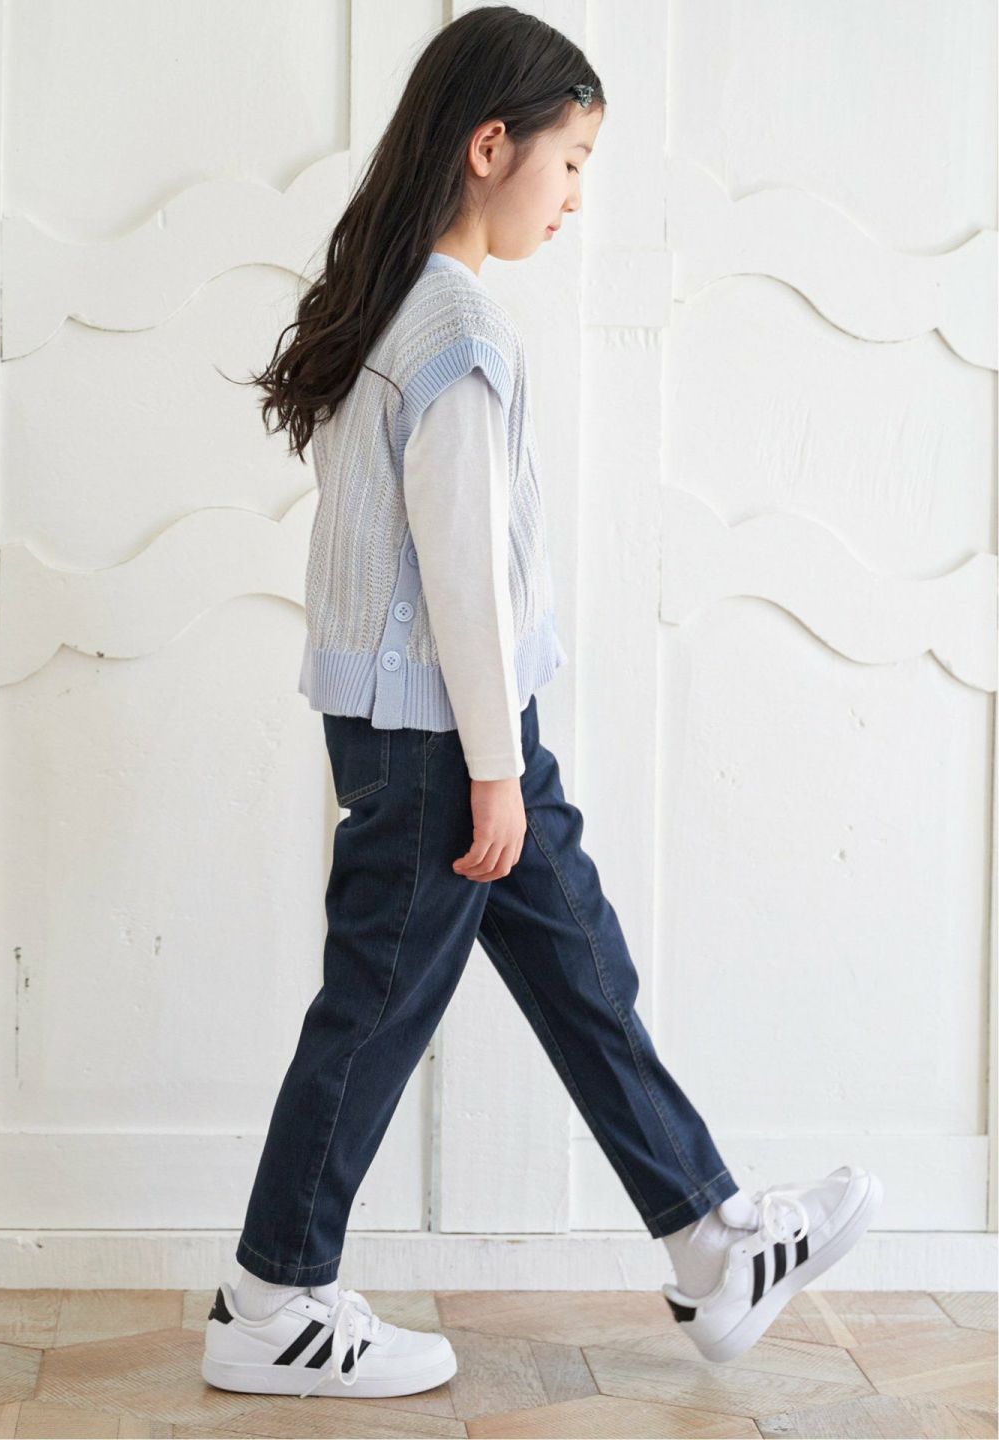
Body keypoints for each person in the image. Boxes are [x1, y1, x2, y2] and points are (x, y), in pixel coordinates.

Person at [202, 5, 882, 1401]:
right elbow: (462, 577)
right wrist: (497, 771)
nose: (576, 196)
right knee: (374, 1006)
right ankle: (271, 1298)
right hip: (445, 741)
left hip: (443, 731)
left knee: (579, 967)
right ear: (489, 146)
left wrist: (497, 757)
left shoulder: (398, 304)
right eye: (570, 162)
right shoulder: (455, 329)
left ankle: (711, 1245)